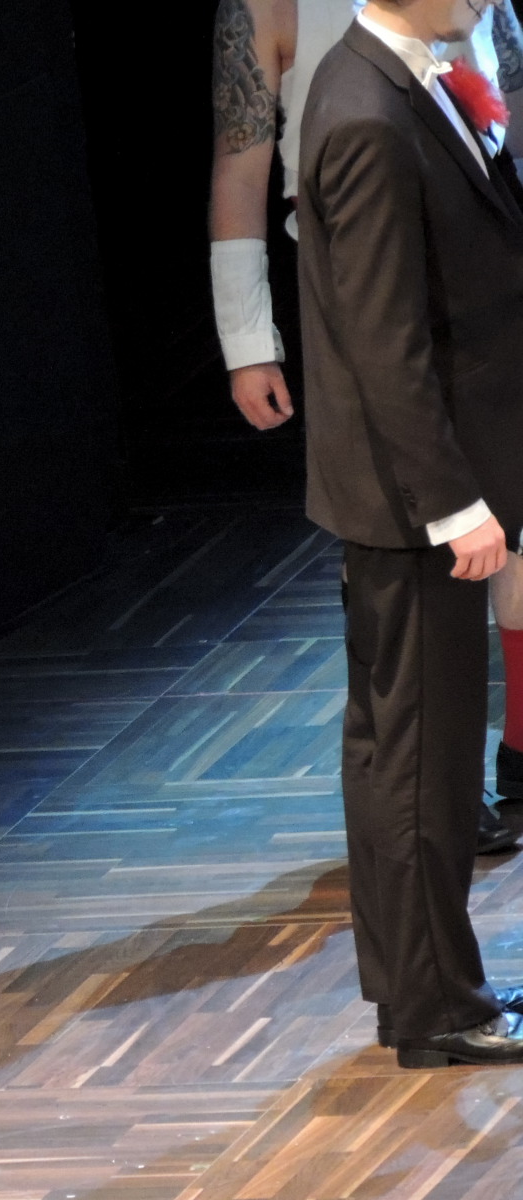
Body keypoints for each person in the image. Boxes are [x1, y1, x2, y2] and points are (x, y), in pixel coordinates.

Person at [210, 0, 523, 853]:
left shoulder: (469, 9)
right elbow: (241, 163)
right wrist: (248, 341)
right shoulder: (277, 10)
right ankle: (424, 792)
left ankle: (504, 753)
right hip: (371, 291)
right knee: (408, 562)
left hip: (484, 299)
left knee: (508, 548)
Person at [299, 0, 523, 1066]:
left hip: (414, 495)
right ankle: (440, 1009)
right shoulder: (364, 113)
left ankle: (412, 983)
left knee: (396, 751)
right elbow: (385, 340)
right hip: (413, 507)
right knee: (422, 763)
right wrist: (452, 504)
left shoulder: (402, 78)